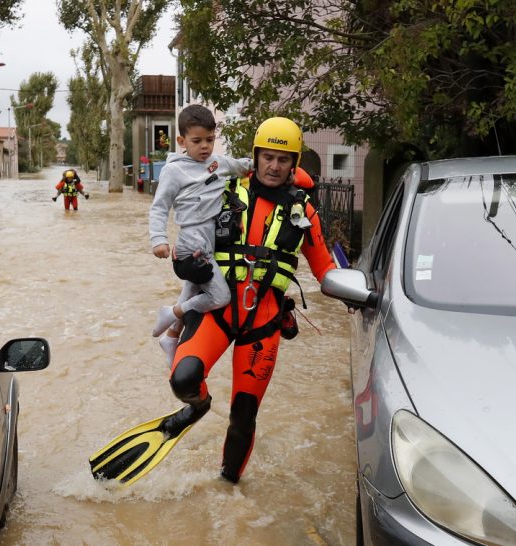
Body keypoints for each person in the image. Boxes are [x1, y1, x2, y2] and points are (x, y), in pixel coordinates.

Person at [89, 117, 336, 487]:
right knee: (183, 379)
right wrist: (163, 240)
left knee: (243, 416)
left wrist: (357, 296)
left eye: (283, 160)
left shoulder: (304, 214)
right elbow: (178, 194)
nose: (274, 166)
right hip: (216, 310)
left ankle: (227, 488)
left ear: (294, 163)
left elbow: (326, 270)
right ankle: (198, 408)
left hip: (263, 324)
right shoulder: (224, 186)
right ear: (255, 156)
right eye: (267, 157)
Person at [148, 104, 252, 369]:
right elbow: (160, 206)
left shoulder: (217, 163)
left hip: (210, 239)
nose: (204, 146)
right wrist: (158, 239)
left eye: (210, 140)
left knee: (193, 288)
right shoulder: (174, 170)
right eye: (197, 141)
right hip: (191, 241)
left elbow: (241, 167)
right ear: (182, 141)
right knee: (219, 297)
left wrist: (260, 162)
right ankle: (172, 313)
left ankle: (171, 336)